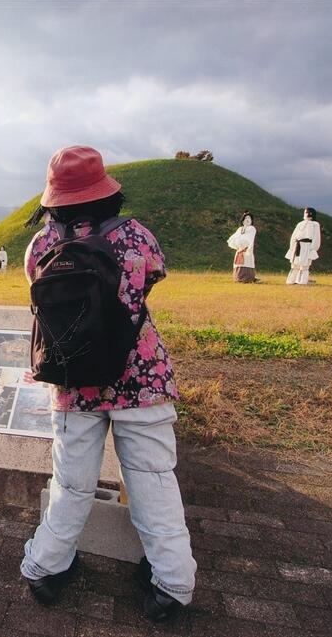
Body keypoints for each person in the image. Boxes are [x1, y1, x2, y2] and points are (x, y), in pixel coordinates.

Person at [20, 146, 196, 622]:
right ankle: (172, 585)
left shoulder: (40, 245)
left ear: (55, 197)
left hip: (73, 378)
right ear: (106, 192)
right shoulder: (136, 236)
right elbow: (151, 279)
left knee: (71, 481)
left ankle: (45, 566)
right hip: (139, 374)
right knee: (153, 478)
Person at [285, 207, 321, 285]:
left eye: (307, 212)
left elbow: (316, 237)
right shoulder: (300, 224)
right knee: (295, 265)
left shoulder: (315, 224)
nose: (306, 214)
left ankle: (302, 281)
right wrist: (292, 247)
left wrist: (313, 248)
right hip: (297, 245)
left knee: (304, 265)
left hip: (307, 246)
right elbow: (294, 236)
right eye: (305, 212)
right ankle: (291, 280)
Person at [226, 212, 257, 283]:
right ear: (242, 220)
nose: (247, 220)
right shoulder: (240, 229)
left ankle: (248, 278)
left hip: (247, 250)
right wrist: (238, 244)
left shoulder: (252, 228)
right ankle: (238, 277)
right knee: (239, 263)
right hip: (239, 250)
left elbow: (249, 238)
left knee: (247, 262)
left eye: (249, 218)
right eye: (246, 218)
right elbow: (234, 238)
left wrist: (243, 244)